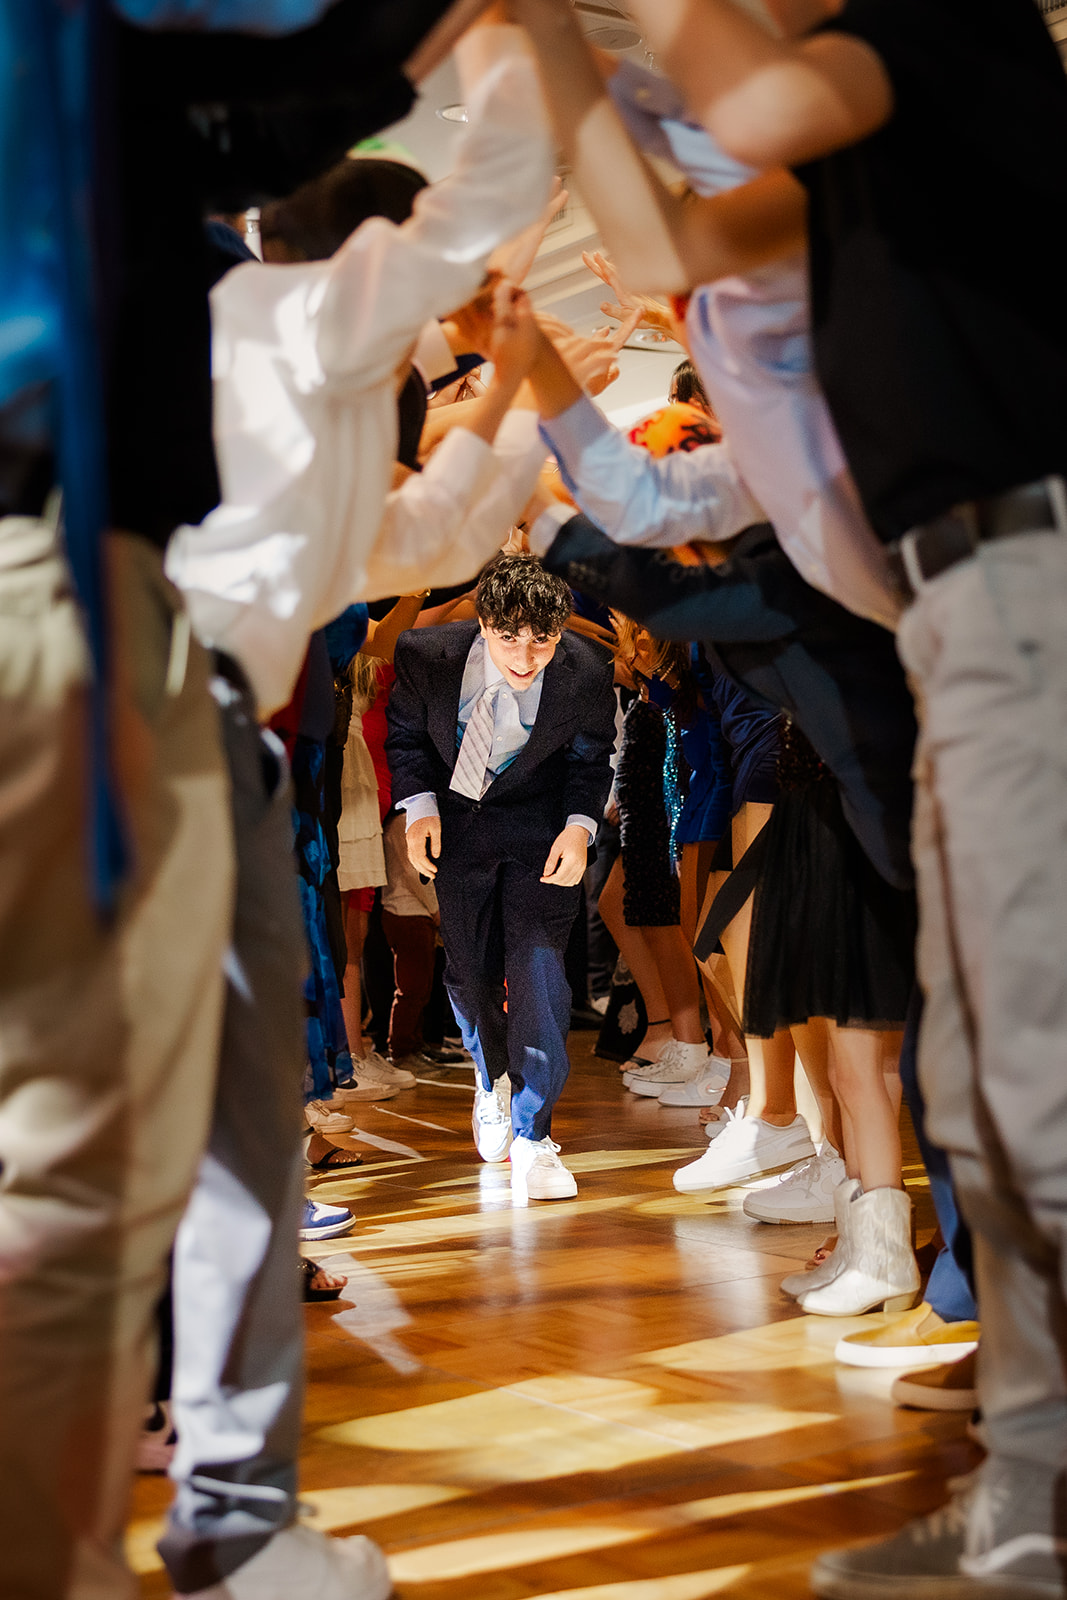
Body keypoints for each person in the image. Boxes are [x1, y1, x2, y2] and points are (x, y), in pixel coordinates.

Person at [591, 0, 1067, 1594]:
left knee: (1039, 1088)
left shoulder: (938, 31)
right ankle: (1029, 1495)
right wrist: (527, 48)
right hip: (954, 609)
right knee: (997, 1100)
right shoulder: (854, 133)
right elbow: (652, 225)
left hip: (1022, 574)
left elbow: (763, 115)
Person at [386, 550, 616, 1203]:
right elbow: (404, 741)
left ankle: (535, 1136)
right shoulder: (424, 654)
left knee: (540, 971)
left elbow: (590, 763)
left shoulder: (587, 669)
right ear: (482, 621)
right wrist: (418, 810)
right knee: (470, 974)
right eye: (508, 637)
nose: (525, 654)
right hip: (457, 829)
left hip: (541, 833)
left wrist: (579, 826)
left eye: (541, 640)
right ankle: (492, 1082)